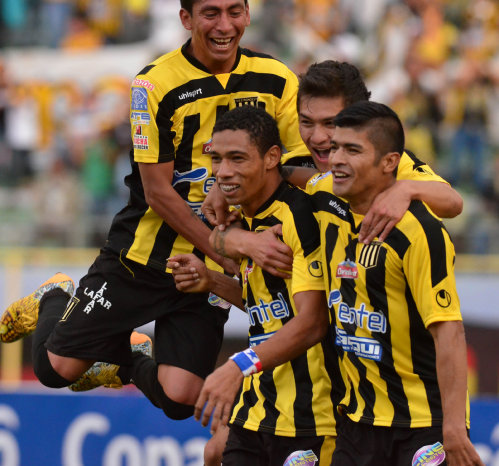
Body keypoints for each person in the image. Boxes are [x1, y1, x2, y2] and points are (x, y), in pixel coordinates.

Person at [0, 0, 309, 426]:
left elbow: (291, 164)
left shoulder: (277, 79)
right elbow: (158, 192)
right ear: (186, 19)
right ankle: (54, 294)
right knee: (55, 371)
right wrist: (224, 249)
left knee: (181, 401)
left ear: (248, 14)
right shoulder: (155, 83)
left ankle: (130, 359)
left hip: (208, 266)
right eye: (211, 13)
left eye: (235, 11)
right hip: (143, 255)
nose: (225, 25)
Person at [200, 58, 466, 465]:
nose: (321, 140)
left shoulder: (403, 193)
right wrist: (230, 209)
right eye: (308, 123)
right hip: (351, 419)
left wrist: (407, 189)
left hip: (407, 420)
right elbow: (294, 179)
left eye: (336, 127)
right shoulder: (322, 191)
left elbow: (453, 202)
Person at [315, 100, 483, 465]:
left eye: (352, 150)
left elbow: (449, 333)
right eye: (335, 149)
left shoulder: (418, 231)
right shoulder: (327, 214)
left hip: (421, 427)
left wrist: (453, 427)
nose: (336, 160)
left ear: (390, 162)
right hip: (356, 426)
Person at [169, 105, 336, 465]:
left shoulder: (299, 216)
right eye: (218, 159)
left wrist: (237, 366)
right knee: (214, 452)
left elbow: (312, 321)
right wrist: (211, 280)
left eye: (237, 159)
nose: (223, 172)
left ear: (272, 158)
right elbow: (272, 305)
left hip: (311, 415)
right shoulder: (243, 216)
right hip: (260, 408)